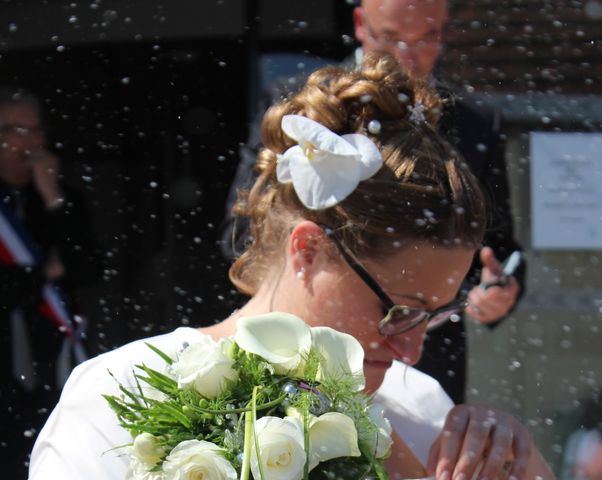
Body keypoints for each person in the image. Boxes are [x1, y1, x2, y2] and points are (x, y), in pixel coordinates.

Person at [30, 54, 553, 479]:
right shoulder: (121, 395)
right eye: (399, 310)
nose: (412, 351)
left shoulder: (421, 408)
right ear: (308, 250)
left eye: (435, 315)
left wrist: (523, 466)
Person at [222, 0, 524, 404]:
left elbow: (499, 245)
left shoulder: (475, 124)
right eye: (391, 38)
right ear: (361, 24)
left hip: (430, 361)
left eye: (426, 38)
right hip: (312, 344)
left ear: (444, 29)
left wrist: (498, 289)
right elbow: (243, 231)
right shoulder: (300, 107)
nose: (407, 56)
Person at [0, 87, 103, 478]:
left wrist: (51, 197)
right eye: (14, 130)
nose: (30, 142)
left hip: (53, 359)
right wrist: (43, 274)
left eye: (35, 130)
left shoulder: (63, 199)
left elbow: (88, 268)